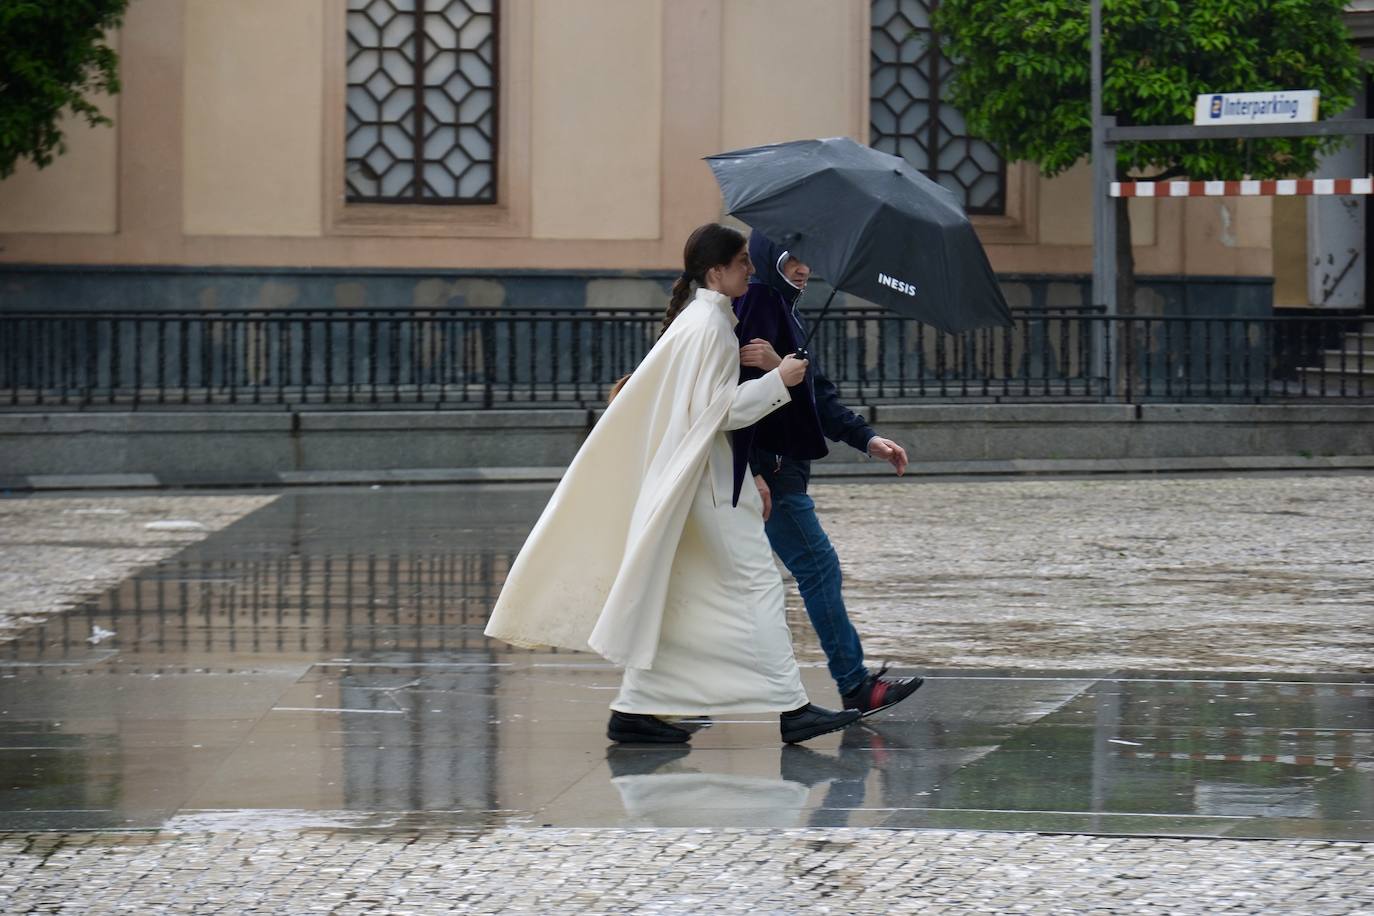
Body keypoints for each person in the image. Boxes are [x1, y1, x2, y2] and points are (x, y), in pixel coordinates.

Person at [485, 223, 861, 745]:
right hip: (709, 484)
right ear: (716, 272)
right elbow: (719, 412)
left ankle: (637, 709)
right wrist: (781, 381)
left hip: (703, 479)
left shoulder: (702, 319)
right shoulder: (709, 327)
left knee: (685, 588)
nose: (751, 271)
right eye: (742, 263)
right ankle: (791, 709)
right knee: (759, 587)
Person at [731, 230, 924, 717]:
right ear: (768, 258)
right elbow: (738, 392)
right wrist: (753, 469)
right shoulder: (759, 303)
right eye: (793, 259)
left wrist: (866, 439)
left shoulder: (783, 309)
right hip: (772, 469)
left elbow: (815, 393)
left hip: (780, 467)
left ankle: (659, 703)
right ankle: (852, 683)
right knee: (818, 569)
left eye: (808, 260)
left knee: (737, 582)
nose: (803, 269)